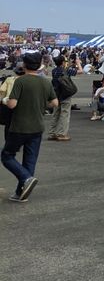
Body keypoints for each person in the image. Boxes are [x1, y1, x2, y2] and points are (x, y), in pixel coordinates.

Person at [2, 52, 56, 202]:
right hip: (37, 126)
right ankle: (21, 192)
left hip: (19, 126)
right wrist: (40, 104)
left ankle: (25, 178)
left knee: (7, 155)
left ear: (24, 65)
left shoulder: (20, 81)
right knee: (30, 160)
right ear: (39, 65)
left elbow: (12, 104)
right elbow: (54, 103)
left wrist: (5, 100)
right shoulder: (45, 82)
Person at [49, 55, 75, 141]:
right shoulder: (66, 71)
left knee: (55, 114)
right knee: (65, 114)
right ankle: (61, 134)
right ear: (63, 62)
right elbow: (79, 71)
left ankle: (52, 133)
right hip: (65, 95)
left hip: (56, 95)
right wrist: (77, 63)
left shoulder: (54, 71)